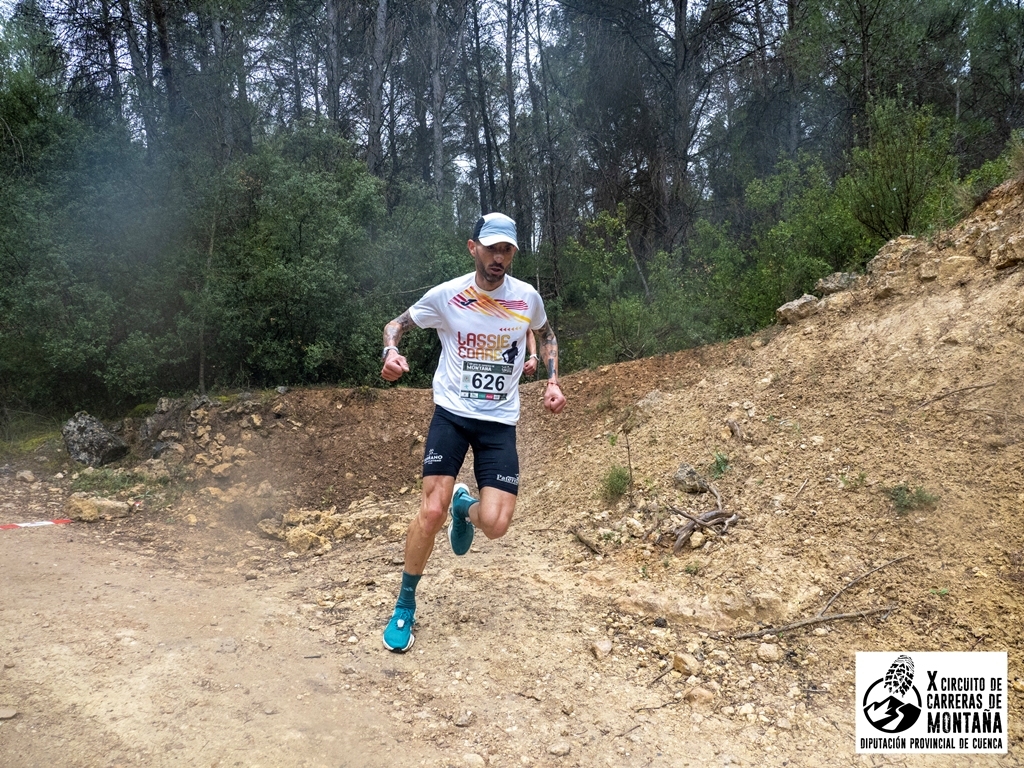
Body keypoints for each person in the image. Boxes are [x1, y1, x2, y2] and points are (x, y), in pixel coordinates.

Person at [379, 212, 566, 652]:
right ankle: (405, 605)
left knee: (498, 525)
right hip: (452, 413)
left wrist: (553, 380)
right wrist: (390, 352)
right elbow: (397, 324)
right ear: (473, 248)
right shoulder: (448, 295)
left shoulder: (526, 297)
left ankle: (467, 509)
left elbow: (547, 332)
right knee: (430, 511)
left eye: (507, 250)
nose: (499, 257)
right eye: (491, 248)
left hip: (499, 421)